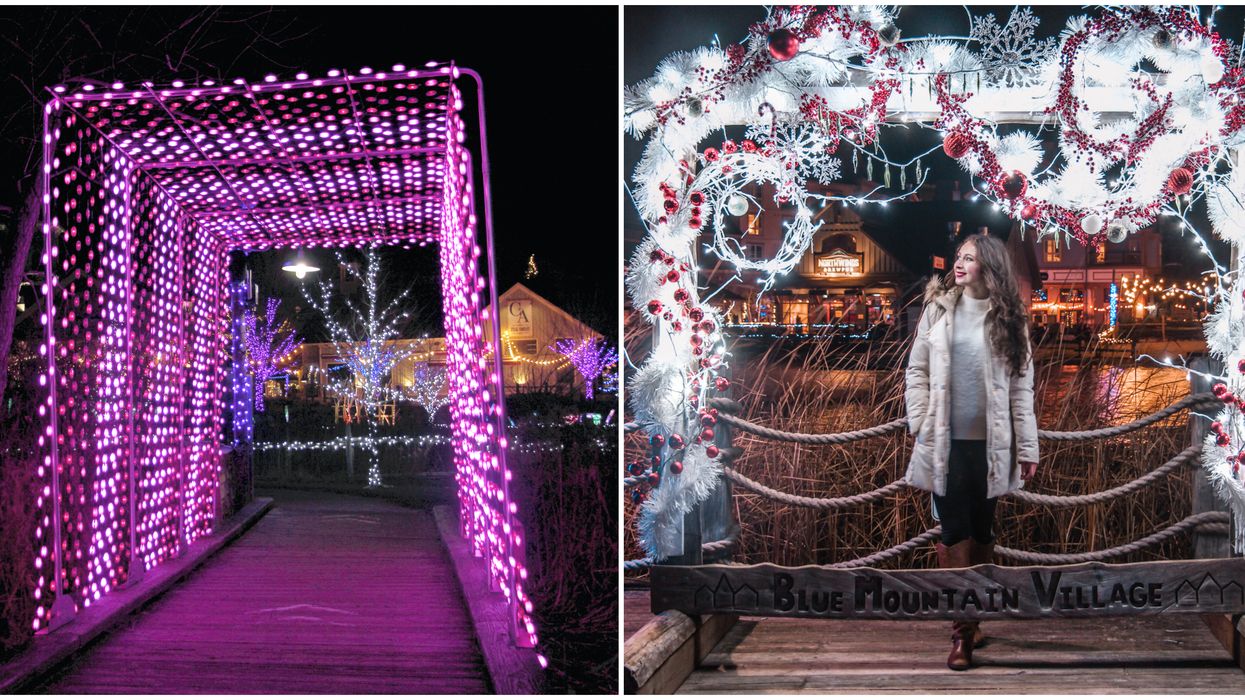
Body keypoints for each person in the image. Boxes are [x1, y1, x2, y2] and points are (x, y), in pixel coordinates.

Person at [903, 234, 1039, 671]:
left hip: (993, 446)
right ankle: (961, 634)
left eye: (970, 259)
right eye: (958, 257)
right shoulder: (938, 310)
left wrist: (1028, 445)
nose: (958, 265)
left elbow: (1021, 388)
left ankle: (974, 616)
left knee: (982, 531)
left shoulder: (1009, 318)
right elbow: (917, 369)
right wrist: (920, 420)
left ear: (991, 267)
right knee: (951, 533)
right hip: (945, 443)